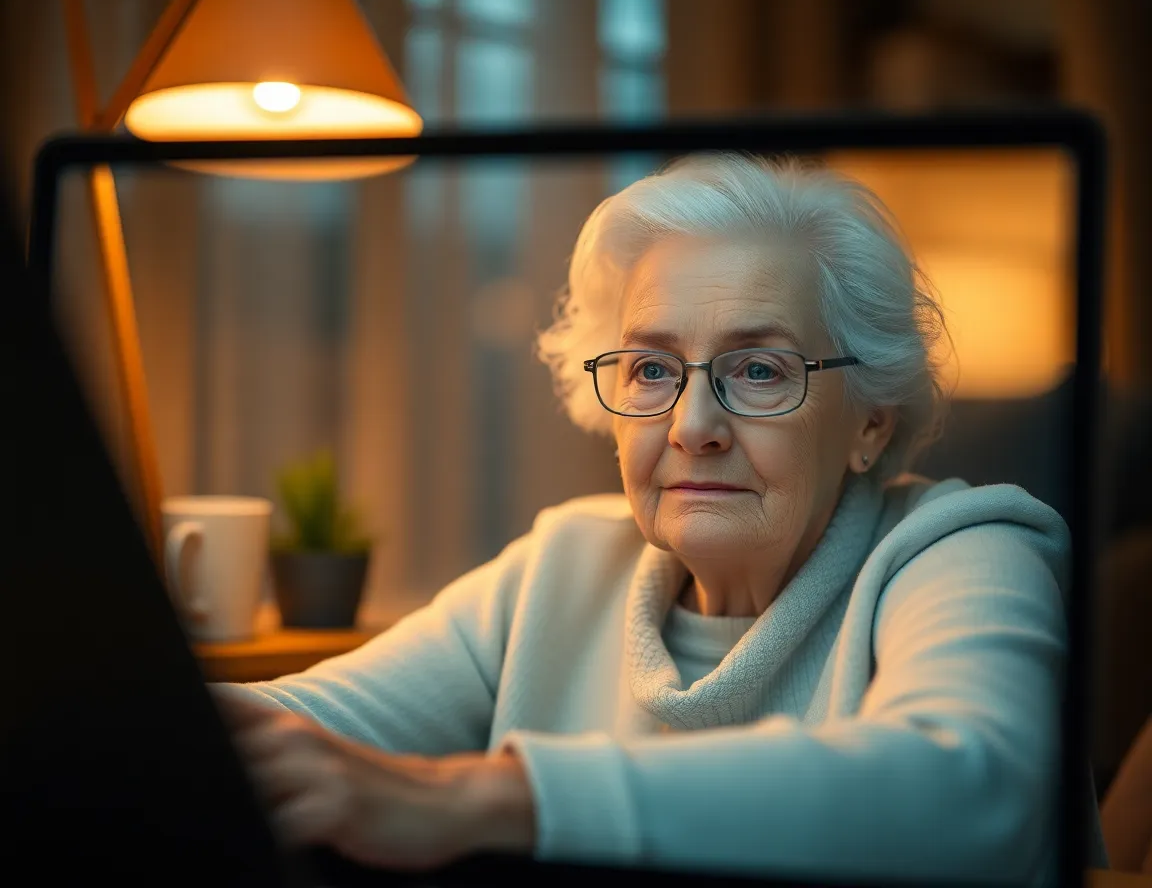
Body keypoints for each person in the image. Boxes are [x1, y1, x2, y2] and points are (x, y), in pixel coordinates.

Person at [213, 153, 1104, 883]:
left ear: (869, 422)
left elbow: (968, 790)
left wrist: (481, 801)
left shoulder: (964, 551)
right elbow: (303, 724)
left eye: (759, 371)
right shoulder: (561, 567)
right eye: (650, 370)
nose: (692, 427)